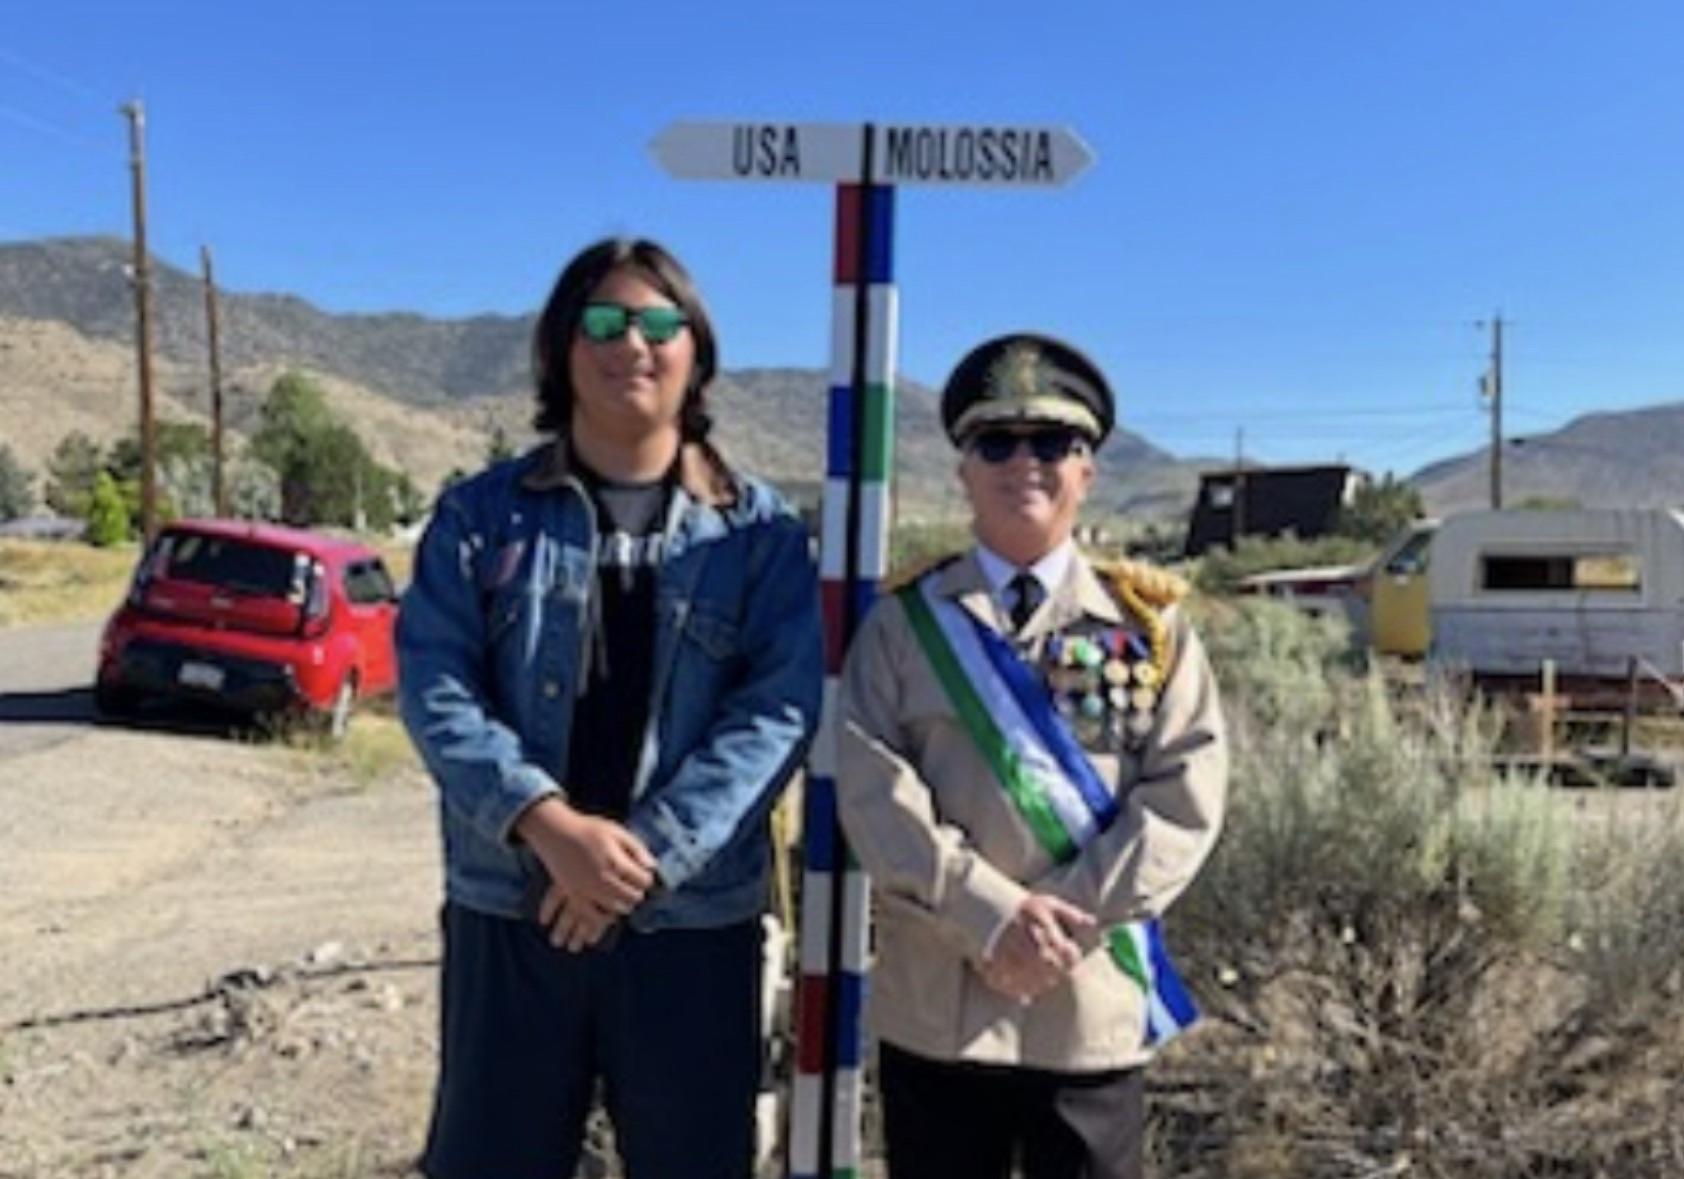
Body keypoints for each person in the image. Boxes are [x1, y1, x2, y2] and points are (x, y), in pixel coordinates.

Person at [396, 236, 824, 1179]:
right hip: (512, 910)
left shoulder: (759, 536)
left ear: (695, 354)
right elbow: (434, 684)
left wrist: (640, 860)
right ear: (560, 349)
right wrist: (548, 827)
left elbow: (777, 712)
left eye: (659, 322)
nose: (632, 341)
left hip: (690, 927)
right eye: (603, 320)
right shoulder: (478, 516)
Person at [836, 332, 1229, 1179]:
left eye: (1054, 442)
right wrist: (990, 915)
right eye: (997, 442)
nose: (1026, 462)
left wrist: (1055, 924)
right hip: (939, 1005)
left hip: (1085, 1011)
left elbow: (1184, 795)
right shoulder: (904, 626)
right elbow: (872, 788)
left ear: (1088, 469)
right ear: (963, 465)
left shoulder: (1152, 629)